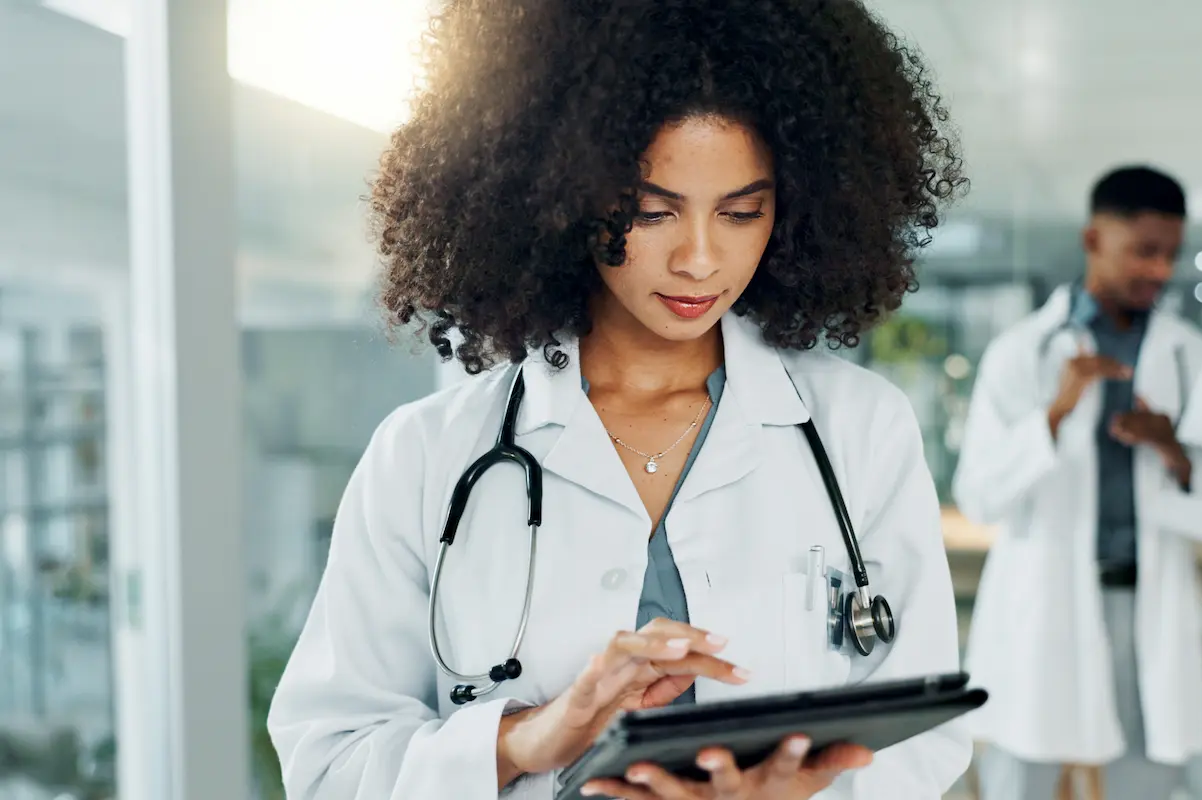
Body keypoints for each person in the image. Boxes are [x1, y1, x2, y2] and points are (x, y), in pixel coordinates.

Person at [265, 1, 972, 797]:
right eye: (649, 210)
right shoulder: (427, 453)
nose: (700, 259)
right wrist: (529, 736)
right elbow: (329, 762)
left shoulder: (857, 429)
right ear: (562, 192)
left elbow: (925, 733)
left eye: (741, 212)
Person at [954, 166, 1202, 800]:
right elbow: (980, 496)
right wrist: (1054, 414)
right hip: (1048, 596)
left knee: (1149, 773)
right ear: (1093, 240)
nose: (1160, 270)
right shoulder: (1023, 353)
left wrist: (1172, 448)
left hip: (1147, 599)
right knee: (1021, 772)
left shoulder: (1191, 355)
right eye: (1144, 251)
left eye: (1170, 254)